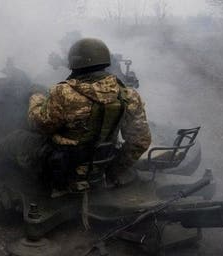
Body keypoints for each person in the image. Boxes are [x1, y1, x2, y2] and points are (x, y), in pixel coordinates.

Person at [28, 38, 151, 189]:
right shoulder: (128, 94)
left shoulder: (63, 92)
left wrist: (37, 96)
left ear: (74, 64)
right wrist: (113, 169)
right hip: (102, 164)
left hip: (64, 168)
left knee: (13, 142)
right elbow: (140, 141)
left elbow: (39, 125)